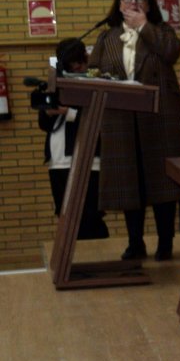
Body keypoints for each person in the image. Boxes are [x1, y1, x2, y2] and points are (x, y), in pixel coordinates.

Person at [88, 0, 180, 261]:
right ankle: (135, 242)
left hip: (159, 118)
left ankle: (165, 243)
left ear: (149, 4)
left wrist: (144, 26)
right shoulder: (107, 38)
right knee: (129, 183)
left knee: (161, 184)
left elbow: (170, 53)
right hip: (120, 120)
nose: (133, 2)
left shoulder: (162, 32)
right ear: (119, 4)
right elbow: (93, 71)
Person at [38, 38, 108, 240]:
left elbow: (98, 120)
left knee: (90, 215)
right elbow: (43, 124)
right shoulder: (54, 84)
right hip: (57, 159)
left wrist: (67, 112)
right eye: (71, 63)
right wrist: (49, 113)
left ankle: (97, 260)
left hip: (88, 159)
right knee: (65, 215)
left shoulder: (94, 83)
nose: (76, 67)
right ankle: (75, 263)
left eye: (79, 62)